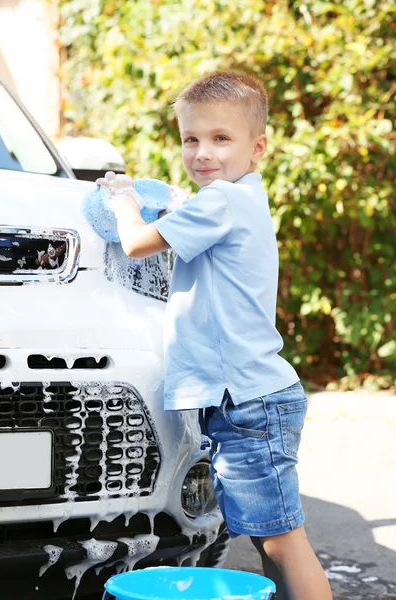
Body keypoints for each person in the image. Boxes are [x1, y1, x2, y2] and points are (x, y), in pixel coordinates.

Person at [96, 70, 332, 600]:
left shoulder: (220, 202)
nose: (203, 152)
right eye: (191, 139)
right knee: (273, 540)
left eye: (221, 138)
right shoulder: (238, 198)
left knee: (283, 541)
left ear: (258, 147)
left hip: (247, 399)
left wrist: (121, 196)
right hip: (248, 399)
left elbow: (135, 242)